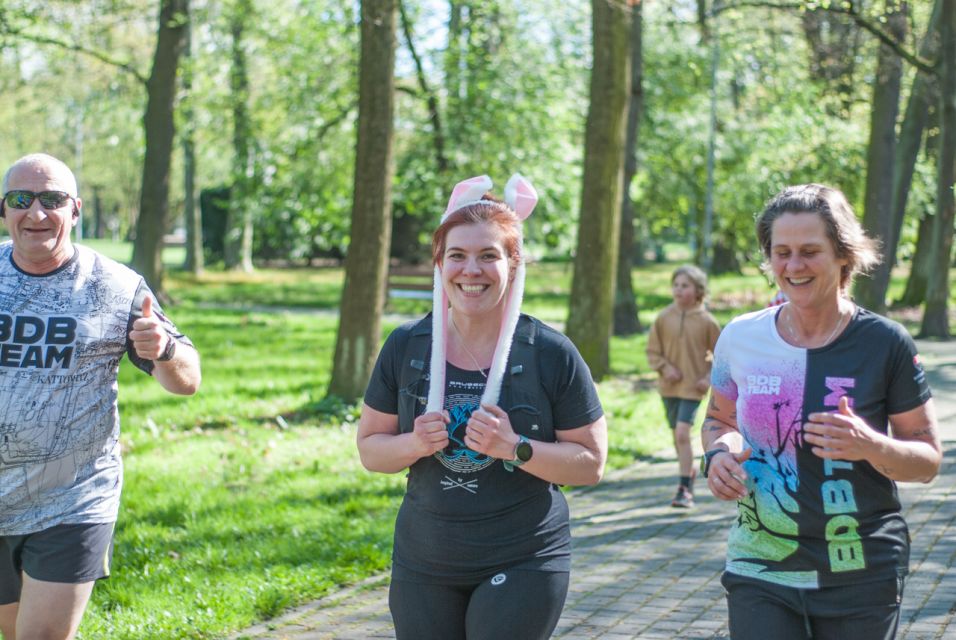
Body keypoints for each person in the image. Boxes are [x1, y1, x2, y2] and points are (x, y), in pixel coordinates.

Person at [357, 174, 608, 640]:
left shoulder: (549, 351)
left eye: (488, 256)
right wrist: (413, 443)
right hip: (423, 561)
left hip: (523, 558)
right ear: (439, 263)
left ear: (513, 264)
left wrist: (515, 447)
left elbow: (590, 464)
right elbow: (371, 450)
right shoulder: (406, 345)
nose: (471, 270)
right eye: (457, 255)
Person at [701, 183, 941, 640]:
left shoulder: (884, 343)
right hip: (763, 563)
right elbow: (720, 421)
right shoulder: (740, 338)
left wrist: (870, 445)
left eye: (810, 251)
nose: (793, 266)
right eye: (781, 252)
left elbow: (928, 459)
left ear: (843, 256)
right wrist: (718, 455)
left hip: (859, 570)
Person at [0, 153, 202, 640]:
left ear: (75, 210)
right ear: (4, 209)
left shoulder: (114, 286)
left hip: (72, 499)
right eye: (21, 199)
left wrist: (164, 349)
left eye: (52, 200)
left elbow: (187, 380)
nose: (37, 213)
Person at [646, 264, 721, 508]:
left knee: (682, 434)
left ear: (698, 290)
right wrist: (664, 367)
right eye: (676, 285)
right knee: (677, 437)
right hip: (668, 388)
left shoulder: (707, 321)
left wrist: (708, 377)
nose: (679, 290)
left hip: (692, 388)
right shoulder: (663, 317)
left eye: (685, 285)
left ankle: (684, 490)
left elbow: (721, 356)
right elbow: (652, 352)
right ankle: (687, 472)